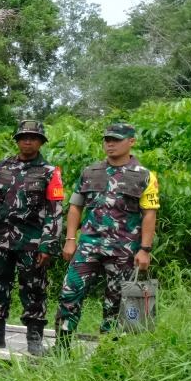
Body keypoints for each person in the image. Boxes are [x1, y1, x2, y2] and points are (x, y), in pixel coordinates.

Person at [56, 122, 159, 344]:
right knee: (69, 294)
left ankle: (108, 352)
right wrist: (70, 240)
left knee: (115, 303)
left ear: (131, 142)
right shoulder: (90, 172)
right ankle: (61, 349)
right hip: (88, 247)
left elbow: (149, 214)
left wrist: (145, 249)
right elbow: (76, 206)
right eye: (107, 140)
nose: (110, 144)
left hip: (123, 250)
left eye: (116, 140)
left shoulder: (144, 176)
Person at [0, 120, 64, 354]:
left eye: (33, 137)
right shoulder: (1, 168)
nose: (28, 141)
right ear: (17, 141)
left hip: (32, 242)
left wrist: (48, 245)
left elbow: (55, 211)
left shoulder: (50, 172)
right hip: (0, 238)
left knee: (34, 288)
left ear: (41, 141)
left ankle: (34, 339)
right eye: (23, 137)